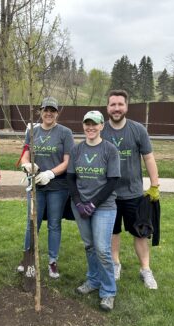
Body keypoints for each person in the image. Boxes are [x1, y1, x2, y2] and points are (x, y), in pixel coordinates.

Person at [101, 89, 160, 289]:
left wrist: (154, 185)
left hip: (134, 193)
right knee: (112, 233)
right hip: (108, 195)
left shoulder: (137, 130)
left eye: (120, 104)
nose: (116, 108)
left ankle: (145, 270)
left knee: (140, 233)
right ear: (107, 107)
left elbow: (149, 157)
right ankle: (115, 265)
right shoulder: (101, 131)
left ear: (126, 106)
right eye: (113, 104)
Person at [66, 110, 121, 311]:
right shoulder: (77, 150)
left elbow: (113, 180)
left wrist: (93, 204)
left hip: (103, 206)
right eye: (87, 124)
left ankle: (108, 292)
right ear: (83, 126)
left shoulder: (109, 150)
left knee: (103, 249)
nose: (90, 127)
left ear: (101, 126)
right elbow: (71, 178)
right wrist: (79, 202)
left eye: (94, 124)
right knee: (89, 245)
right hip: (80, 205)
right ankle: (93, 280)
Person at [17, 96, 75, 278]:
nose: (49, 113)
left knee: (54, 224)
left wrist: (50, 173)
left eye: (52, 110)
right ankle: (28, 258)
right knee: (32, 223)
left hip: (58, 186)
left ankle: (52, 261)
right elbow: (25, 154)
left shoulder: (65, 133)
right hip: (36, 186)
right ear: (40, 111)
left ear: (57, 113)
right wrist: (27, 165)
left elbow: (68, 161)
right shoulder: (32, 131)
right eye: (45, 110)